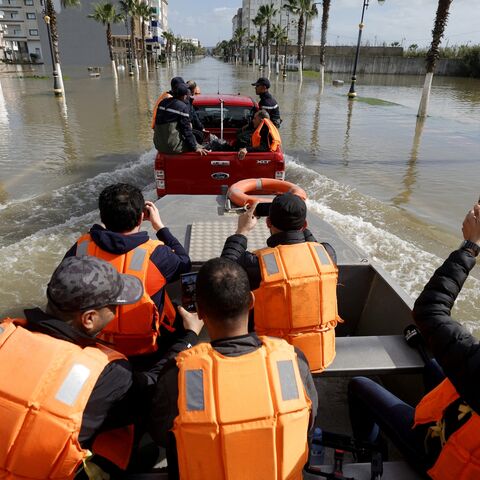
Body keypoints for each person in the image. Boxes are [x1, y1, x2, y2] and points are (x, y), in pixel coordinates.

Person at [0, 256, 199, 478]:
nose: (117, 312)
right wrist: (188, 337)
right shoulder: (106, 373)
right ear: (89, 319)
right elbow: (155, 386)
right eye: (114, 307)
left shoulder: (4, 334)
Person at [150, 257, 318, 480]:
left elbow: (161, 434)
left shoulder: (179, 373)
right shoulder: (292, 360)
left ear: (199, 312)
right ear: (251, 301)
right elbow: (309, 419)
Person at [348, 204, 480, 479]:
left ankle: (370, 454)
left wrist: (470, 245)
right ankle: (422, 345)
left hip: (439, 458)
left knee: (359, 386)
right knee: (432, 365)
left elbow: (430, 309)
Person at [64, 183, 191, 359]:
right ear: (141, 218)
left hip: (95, 346)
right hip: (147, 350)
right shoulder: (156, 254)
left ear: (102, 217)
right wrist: (160, 227)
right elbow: (185, 263)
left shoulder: (82, 246)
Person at [221, 192, 340, 372]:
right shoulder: (327, 254)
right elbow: (310, 245)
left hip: (274, 362)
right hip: (319, 356)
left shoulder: (256, 264)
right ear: (305, 225)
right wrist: (298, 223)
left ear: (268, 223)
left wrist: (242, 231)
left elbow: (222, 273)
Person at [153, 83, 209, 155]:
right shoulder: (182, 107)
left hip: (158, 145)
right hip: (173, 147)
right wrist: (196, 147)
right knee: (203, 146)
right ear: (185, 96)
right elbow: (186, 130)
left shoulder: (162, 102)